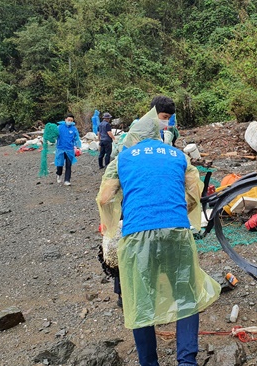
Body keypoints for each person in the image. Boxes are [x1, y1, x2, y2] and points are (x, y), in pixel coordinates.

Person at [96, 107, 220, 366]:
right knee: (185, 295)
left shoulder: (123, 158)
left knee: (141, 297)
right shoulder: (177, 155)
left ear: (135, 136)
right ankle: (187, 361)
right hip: (176, 232)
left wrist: (115, 219)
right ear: (160, 134)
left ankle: (149, 362)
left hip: (137, 236)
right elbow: (194, 193)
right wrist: (176, 209)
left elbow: (105, 197)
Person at [55, 113, 82, 186]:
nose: (69, 121)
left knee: (68, 165)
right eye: (68, 120)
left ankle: (67, 180)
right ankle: (59, 174)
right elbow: (54, 135)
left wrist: (78, 146)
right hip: (60, 148)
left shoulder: (74, 128)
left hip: (70, 149)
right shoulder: (59, 127)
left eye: (71, 120)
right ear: (65, 119)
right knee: (60, 164)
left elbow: (77, 138)